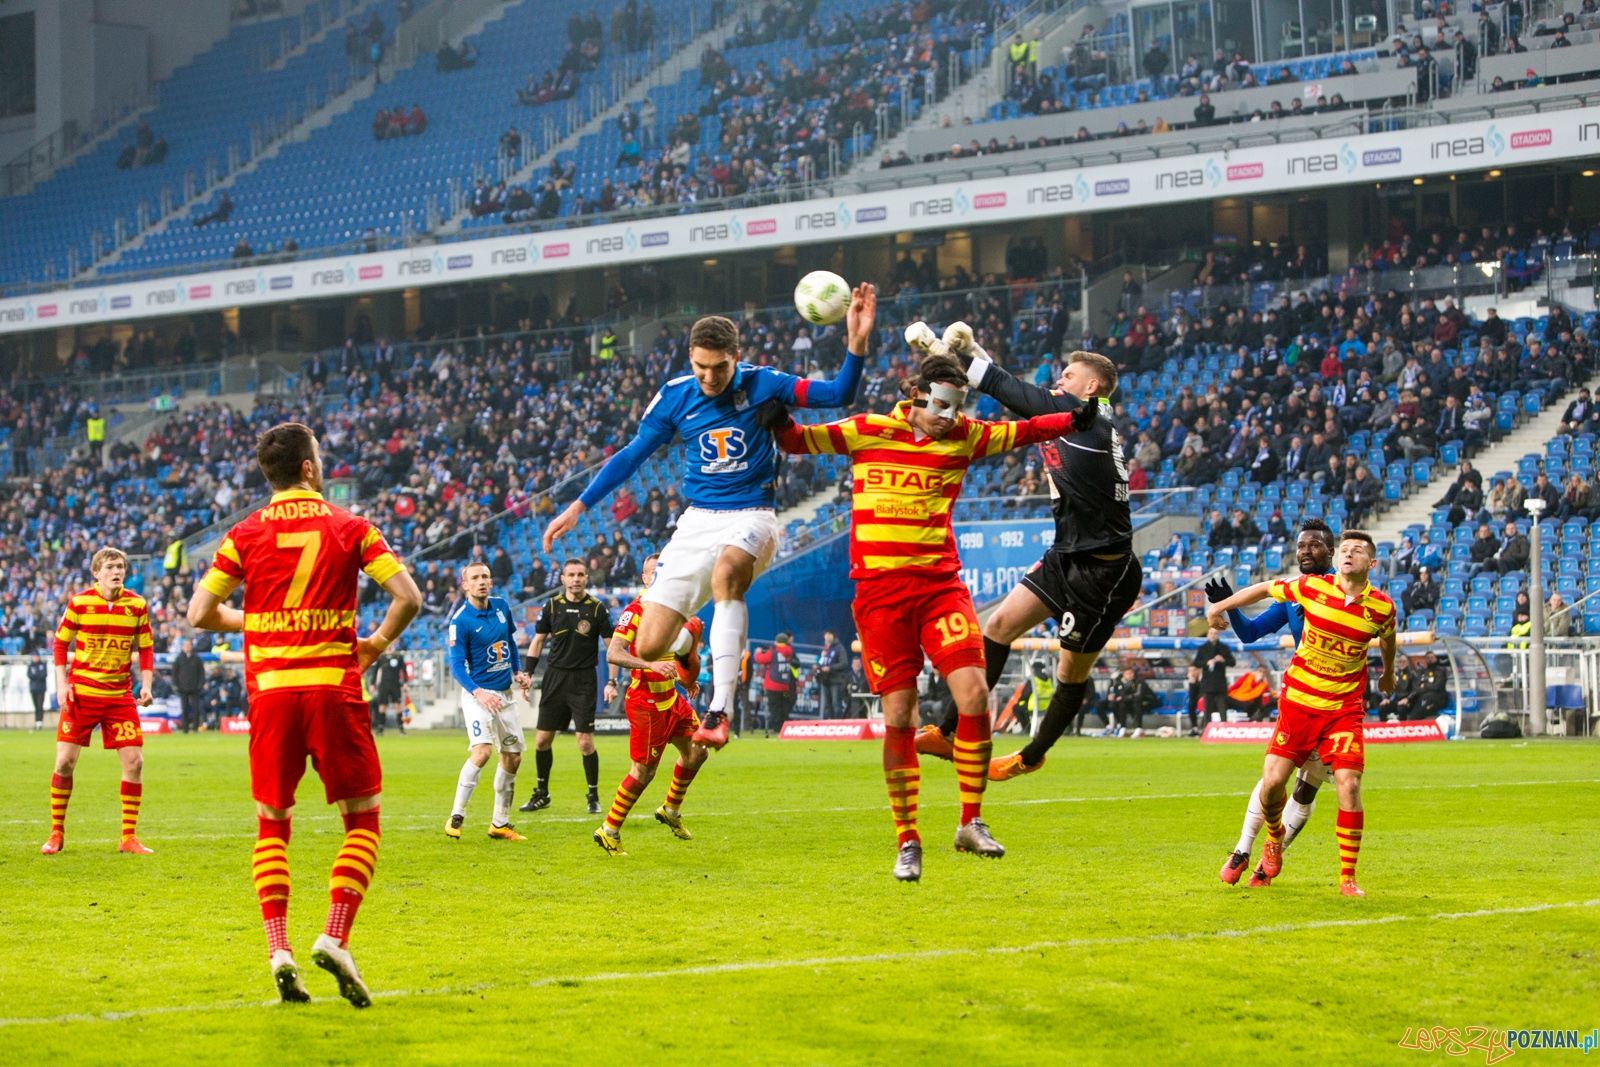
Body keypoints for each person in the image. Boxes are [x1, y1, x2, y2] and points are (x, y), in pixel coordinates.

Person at [774, 342, 1088, 879]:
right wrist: (769, 400)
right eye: (941, 405)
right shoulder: (867, 428)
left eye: (957, 407)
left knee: (973, 694)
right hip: (878, 595)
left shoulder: (968, 436)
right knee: (900, 717)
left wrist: (1082, 414)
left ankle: (971, 821)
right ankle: (908, 838)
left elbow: (1032, 430)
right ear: (915, 395)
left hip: (940, 588)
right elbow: (793, 441)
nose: (950, 418)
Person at [542, 294, 871, 754]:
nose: (709, 377)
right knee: (651, 646)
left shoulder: (766, 383)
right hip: (696, 521)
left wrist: (855, 343)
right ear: (690, 359)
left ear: (736, 357)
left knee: (727, 576)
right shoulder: (676, 394)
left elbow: (839, 394)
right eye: (701, 367)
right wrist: (580, 505)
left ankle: (720, 709)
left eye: (719, 367)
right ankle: (688, 641)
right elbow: (632, 455)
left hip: (752, 514)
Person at [187, 423, 422, 1006]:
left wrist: (260, 621)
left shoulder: (242, 535)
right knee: (362, 819)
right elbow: (409, 598)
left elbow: (199, 614)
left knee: (272, 824)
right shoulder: (352, 527)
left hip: (270, 695)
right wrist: (373, 645)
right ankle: (336, 937)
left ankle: (279, 949)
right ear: (311, 469)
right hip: (331, 691)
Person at [922, 327, 1140, 782]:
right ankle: (949, 730)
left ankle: (1033, 753)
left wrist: (950, 356)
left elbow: (1006, 388)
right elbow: (1013, 393)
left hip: (1104, 571)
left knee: (1070, 668)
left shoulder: (1085, 416)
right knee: (998, 626)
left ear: (1091, 386)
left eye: (1068, 375)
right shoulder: (1079, 417)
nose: (1059, 382)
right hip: (1066, 554)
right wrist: (971, 351)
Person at [1207, 530, 1398, 897]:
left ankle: (1296, 866)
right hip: (1300, 700)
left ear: (1329, 552)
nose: (1304, 552)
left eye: (1313, 546)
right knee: (1273, 781)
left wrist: (1387, 672)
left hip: (1341, 707)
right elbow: (1249, 633)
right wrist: (1227, 605)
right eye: (1299, 546)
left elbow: (1388, 635)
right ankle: (1246, 849)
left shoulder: (1377, 605)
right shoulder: (1303, 590)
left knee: (1313, 789)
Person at [44, 547, 155, 857]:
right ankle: (56, 832)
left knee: (135, 762)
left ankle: (128, 837)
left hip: (119, 697)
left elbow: (145, 648)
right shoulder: (80, 602)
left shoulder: (137, 605)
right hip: (82, 693)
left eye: (120, 566)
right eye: (109, 567)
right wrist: (61, 684)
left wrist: (146, 685)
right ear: (97, 573)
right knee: (64, 762)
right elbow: (59, 643)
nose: (116, 571)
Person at [444, 561, 532, 840]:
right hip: (478, 696)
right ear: (465, 585)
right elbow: (457, 666)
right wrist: (478, 692)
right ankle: (456, 817)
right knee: (482, 752)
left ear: (490, 582)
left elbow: (510, 643)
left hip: (504, 695)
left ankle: (499, 823)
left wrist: (518, 672)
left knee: (513, 758)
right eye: (475, 578)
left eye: (485, 577)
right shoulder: (460, 621)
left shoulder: (502, 607)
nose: (481, 581)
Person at [522, 559, 613, 815]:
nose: (576, 579)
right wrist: (528, 672)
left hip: (584, 680)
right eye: (571, 575)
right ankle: (542, 794)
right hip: (555, 678)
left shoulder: (597, 609)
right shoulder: (551, 606)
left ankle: (593, 796)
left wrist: (612, 681)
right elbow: (538, 641)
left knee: (584, 742)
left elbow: (611, 646)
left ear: (586, 578)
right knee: (542, 740)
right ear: (563, 579)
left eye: (580, 574)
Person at [752, 634, 800, 731]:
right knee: (784, 706)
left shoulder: (772, 652)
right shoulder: (790, 651)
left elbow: (760, 659)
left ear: (776, 642)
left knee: (774, 707)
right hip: (785, 686)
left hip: (773, 685)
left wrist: (758, 652)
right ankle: (784, 727)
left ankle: (778, 728)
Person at [1192, 626, 1234, 722]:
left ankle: (1224, 729)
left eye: (1215, 633)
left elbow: (1232, 662)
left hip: (1220, 683)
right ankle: (1207, 729)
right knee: (1208, 710)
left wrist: (1223, 660)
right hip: (1208, 684)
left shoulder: (1224, 648)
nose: (1213, 635)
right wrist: (1207, 663)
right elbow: (1196, 663)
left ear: (1218, 635)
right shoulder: (1202, 648)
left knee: (1222, 709)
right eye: (1211, 633)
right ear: (1207, 635)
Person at [368, 646, 407, 736]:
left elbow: (404, 670)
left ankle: (401, 729)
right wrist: (372, 684)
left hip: (395, 685)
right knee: (382, 706)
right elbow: (375, 670)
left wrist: (405, 682)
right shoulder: (381, 657)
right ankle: (380, 729)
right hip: (384, 685)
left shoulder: (397, 656)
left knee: (397, 706)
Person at [1104, 667, 1158, 732]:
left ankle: (1138, 728)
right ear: (1123, 674)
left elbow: (1139, 695)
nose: (1129, 675)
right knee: (1119, 705)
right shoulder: (1121, 683)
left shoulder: (1139, 681)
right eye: (1127, 674)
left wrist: (1123, 698)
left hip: (1147, 702)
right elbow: (1117, 693)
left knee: (1137, 704)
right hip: (1130, 702)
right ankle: (1122, 727)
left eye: (1131, 673)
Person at [171, 638, 206, 733]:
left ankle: (195, 727)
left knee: (196, 708)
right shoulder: (179, 659)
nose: (187, 647)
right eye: (185, 645)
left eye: (188, 645)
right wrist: (176, 685)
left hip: (195, 687)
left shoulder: (196, 658)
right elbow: (174, 673)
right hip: (183, 688)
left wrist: (200, 684)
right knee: (184, 708)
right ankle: (185, 728)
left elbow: (201, 673)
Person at [814, 629, 846, 718]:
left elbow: (844, 663)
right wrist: (818, 666)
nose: (827, 636)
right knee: (827, 706)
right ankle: (829, 723)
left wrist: (830, 668)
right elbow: (822, 662)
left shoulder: (839, 648)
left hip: (835, 680)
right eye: (826, 634)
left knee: (836, 705)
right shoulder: (825, 648)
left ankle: (838, 724)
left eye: (829, 634)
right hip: (825, 680)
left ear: (833, 636)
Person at [28, 650, 49, 730]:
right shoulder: (31, 666)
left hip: (41, 688)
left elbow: (43, 675)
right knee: (36, 705)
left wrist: (36, 675)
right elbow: (29, 675)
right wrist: (37, 675)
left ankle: (40, 722)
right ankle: (36, 721)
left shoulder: (42, 665)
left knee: (40, 705)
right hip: (33, 688)